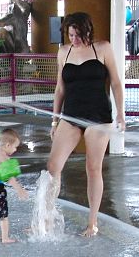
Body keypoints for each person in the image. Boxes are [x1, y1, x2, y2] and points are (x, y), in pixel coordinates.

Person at [48, 12, 126, 237]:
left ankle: (92, 223)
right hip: (70, 116)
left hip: (98, 117)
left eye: (78, 35)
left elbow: (116, 83)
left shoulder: (103, 48)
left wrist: (120, 113)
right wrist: (54, 120)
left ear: (88, 31)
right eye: (70, 35)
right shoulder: (64, 52)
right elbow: (60, 89)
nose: (74, 39)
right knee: (53, 166)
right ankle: (48, 215)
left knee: (93, 168)